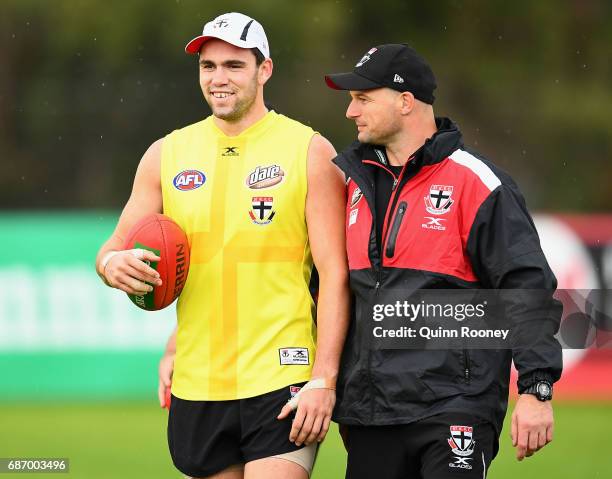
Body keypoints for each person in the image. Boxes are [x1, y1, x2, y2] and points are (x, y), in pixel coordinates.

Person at [95, 12, 349, 479]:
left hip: (282, 375)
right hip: (198, 381)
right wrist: (114, 264)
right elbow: (111, 249)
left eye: (233, 65)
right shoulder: (165, 153)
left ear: (264, 70)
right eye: (208, 66)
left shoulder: (309, 151)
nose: (218, 79)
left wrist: (324, 379)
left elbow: (335, 274)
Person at [324, 44, 562, 478]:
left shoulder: (478, 183)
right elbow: (329, 292)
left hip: (455, 406)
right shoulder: (349, 185)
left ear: (405, 101)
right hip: (370, 414)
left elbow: (525, 284)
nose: (350, 112)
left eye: (362, 98)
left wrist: (536, 388)